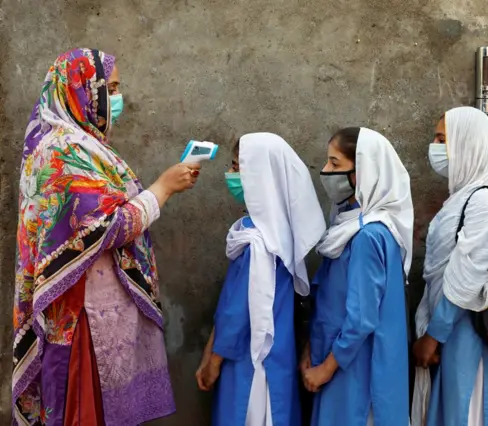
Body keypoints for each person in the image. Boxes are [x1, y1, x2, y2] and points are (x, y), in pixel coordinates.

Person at [12, 48, 200, 425]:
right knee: (85, 409)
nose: (116, 98)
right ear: (81, 91)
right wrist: (163, 188)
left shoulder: (85, 145)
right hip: (81, 314)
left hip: (96, 306)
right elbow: (105, 228)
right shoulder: (64, 151)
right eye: (109, 88)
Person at [195, 133, 326, 426]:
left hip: (250, 362)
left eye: (236, 167)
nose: (229, 175)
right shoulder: (272, 232)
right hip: (265, 357)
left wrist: (214, 360)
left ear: (258, 176)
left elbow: (239, 310)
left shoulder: (259, 242)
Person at [301, 127, 414, 426]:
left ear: (362, 172)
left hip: (356, 370)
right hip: (336, 359)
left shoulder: (367, 235)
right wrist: (311, 350)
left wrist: (324, 369)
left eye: (335, 164)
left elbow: (362, 318)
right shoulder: (346, 227)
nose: (326, 171)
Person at [413, 107, 488, 426]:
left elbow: (468, 277)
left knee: (471, 412)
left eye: (443, 139)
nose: (436, 147)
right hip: (451, 334)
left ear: (468, 144)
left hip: (471, 336)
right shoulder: (460, 198)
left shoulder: (484, 201)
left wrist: (434, 335)